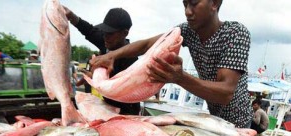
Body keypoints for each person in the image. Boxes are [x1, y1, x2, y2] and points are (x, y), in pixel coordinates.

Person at [89, 0, 252, 127]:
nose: (188, 12)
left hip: (238, 121)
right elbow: (147, 45)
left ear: (215, 3)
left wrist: (179, 78)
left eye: (194, 4)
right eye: (185, 4)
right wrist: (112, 56)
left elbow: (226, 93)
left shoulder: (236, 33)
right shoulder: (188, 31)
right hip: (214, 116)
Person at [64, 6, 140, 115]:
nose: (105, 36)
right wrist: (71, 15)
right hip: (107, 108)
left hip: (126, 112)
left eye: (110, 33)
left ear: (125, 33)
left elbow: (122, 92)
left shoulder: (131, 60)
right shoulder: (107, 42)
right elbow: (89, 30)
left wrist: (94, 79)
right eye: (104, 32)